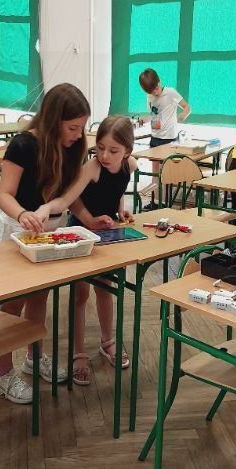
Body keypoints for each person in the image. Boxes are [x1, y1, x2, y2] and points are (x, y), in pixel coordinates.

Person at [0, 83, 95, 404]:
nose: (78, 134)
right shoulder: (23, 145)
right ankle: (2, 375)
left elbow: (68, 197)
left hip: (49, 232)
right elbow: (4, 194)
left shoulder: (71, 147)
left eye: (82, 127)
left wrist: (90, 221)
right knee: (11, 305)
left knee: (39, 296)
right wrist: (23, 214)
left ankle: (34, 358)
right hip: (16, 230)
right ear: (52, 121)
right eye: (72, 127)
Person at [68, 115, 137, 385]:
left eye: (113, 150)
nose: (105, 155)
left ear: (127, 152)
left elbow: (118, 188)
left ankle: (107, 342)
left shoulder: (130, 165)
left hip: (106, 234)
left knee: (105, 289)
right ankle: (78, 353)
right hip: (81, 232)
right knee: (80, 294)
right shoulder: (92, 168)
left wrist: (120, 210)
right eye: (100, 148)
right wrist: (88, 220)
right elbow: (71, 198)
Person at [138, 68, 191, 209]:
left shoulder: (170, 92)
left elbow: (187, 107)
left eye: (155, 88)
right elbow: (154, 115)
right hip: (155, 137)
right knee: (155, 173)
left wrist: (183, 115)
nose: (155, 93)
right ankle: (155, 202)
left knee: (165, 174)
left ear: (159, 81)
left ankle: (164, 204)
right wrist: (143, 120)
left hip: (168, 139)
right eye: (151, 92)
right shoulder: (150, 97)